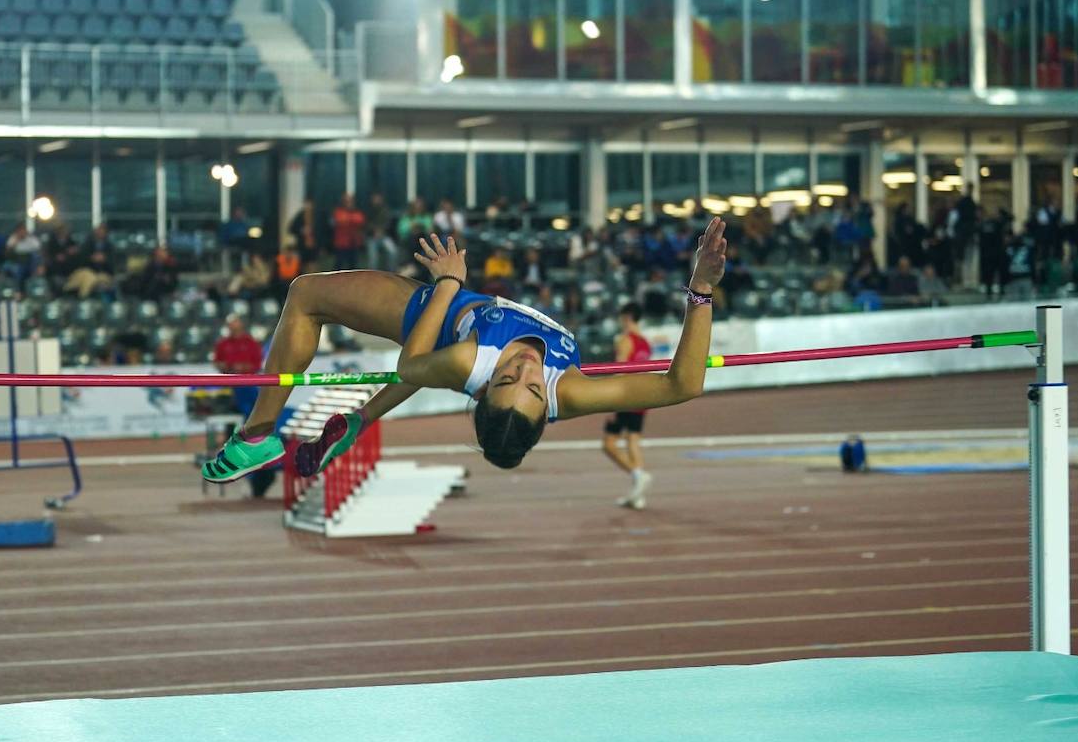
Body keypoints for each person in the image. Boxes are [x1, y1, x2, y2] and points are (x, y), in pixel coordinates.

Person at [200, 218, 726, 484]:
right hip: (442, 343)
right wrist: (700, 291)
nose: (523, 370)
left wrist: (449, 283)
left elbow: (411, 362)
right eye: (530, 387)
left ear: (485, 388)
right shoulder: (572, 388)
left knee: (306, 294)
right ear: (548, 407)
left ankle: (255, 438)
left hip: (427, 310)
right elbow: (684, 384)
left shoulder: (467, 362)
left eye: (504, 382)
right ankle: (357, 423)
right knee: (426, 370)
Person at [604, 304, 655, 509]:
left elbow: (620, 370)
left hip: (625, 396)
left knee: (609, 444)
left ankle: (638, 475)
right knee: (633, 439)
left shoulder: (625, 340)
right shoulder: (644, 343)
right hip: (641, 396)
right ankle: (638, 494)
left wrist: (610, 397)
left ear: (626, 317)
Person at [331, 194, 367, 270]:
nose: (349, 203)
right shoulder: (338, 211)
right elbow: (340, 221)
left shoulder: (357, 212)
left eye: (351, 201)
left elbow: (361, 220)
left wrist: (349, 220)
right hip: (341, 243)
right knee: (338, 265)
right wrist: (350, 220)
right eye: (347, 201)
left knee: (353, 266)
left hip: (354, 243)